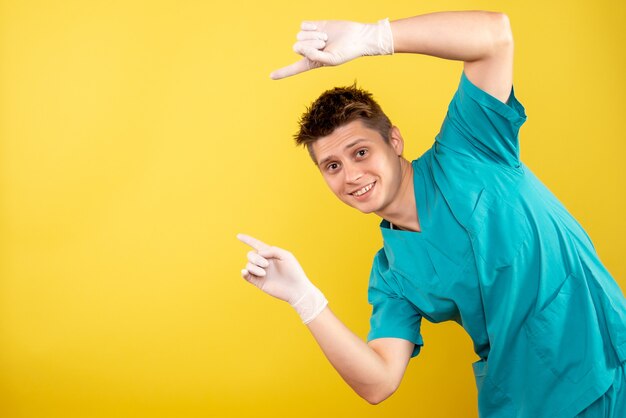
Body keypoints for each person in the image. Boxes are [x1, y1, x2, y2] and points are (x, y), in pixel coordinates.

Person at [237, 10, 626, 417]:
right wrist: (306, 300)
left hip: (606, 364)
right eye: (332, 166)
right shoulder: (392, 275)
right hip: (523, 400)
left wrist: (373, 38)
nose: (351, 175)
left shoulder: (471, 145)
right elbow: (379, 381)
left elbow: (494, 36)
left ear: (395, 140)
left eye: (361, 152)